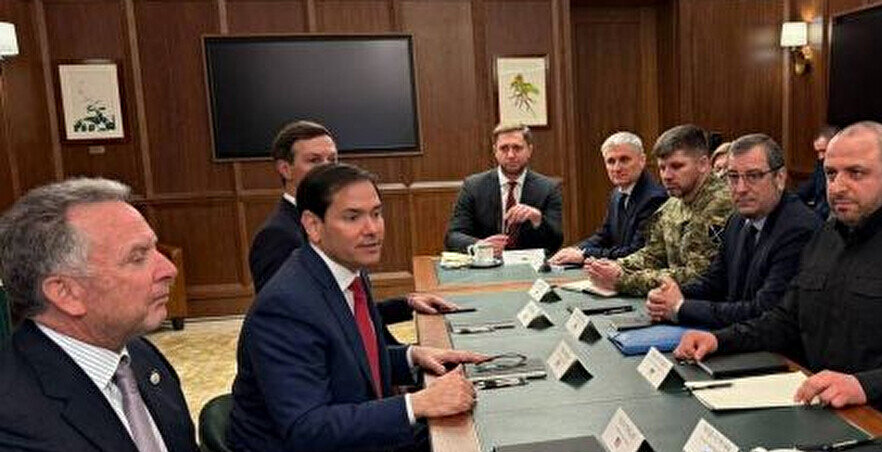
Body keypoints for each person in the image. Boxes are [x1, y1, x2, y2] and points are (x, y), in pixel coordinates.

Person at [0, 178, 369, 452]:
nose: (168, 269)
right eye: (138, 257)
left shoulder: (141, 359)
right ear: (66, 293)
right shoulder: (15, 426)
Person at [675, 122, 882, 447]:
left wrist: (865, 385)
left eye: (856, 173)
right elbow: (786, 319)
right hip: (821, 413)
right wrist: (719, 339)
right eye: (831, 174)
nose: (838, 187)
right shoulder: (827, 236)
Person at [229, 163, 485, 452]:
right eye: (353, 217)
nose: (372, 229)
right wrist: (417, 404)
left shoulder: (346, 270)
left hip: (340, 445)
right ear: (313, 226)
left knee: (470, 446)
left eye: (376, 214)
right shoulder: (286, 306)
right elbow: (306, 429)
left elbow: (345, 359)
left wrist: (410, 357)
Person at [249, 120, 455, 318]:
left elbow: (349, 309)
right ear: (285, 169)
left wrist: (407, 304)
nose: (327, 167)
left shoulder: (343, 224)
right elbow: (292, 317)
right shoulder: (276, 236)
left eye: (332, 159)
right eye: (314, 160)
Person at [645, 134, 820, 329]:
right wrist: (669, 295)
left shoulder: (797, 229)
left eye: (753, 176)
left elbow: (763, 311)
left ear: (779, 178)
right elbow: (715, 281)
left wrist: (681, 308)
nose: (741, 188)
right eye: (733, 177)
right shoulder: (737, 220)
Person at [584, 124, 733, 296]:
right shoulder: (673, 203)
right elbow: (654, 254)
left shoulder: (720, 204)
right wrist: (617, 266)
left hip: (709, 304)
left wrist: (622, 279)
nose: (667, 176)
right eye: (662, 168)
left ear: (703, 164)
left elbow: (698, 276)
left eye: (676, 166)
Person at [548, 131, 667, 265]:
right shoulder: (617, 193)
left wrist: (585, 254)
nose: (616, 168)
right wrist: (575, 249)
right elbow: (604, 235)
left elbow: (636, 252)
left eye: (624, 160)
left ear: (642, 160)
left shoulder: (654, 198)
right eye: (611, 161)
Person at [445, 123, 563, 253]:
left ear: (529, 150)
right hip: (486, 262)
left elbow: (556, 242)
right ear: (495, 151)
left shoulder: (548, 188)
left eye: (517, 148)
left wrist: (537, 220)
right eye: (504, 148)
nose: (511, 155)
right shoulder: (473, 186)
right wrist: (479, 246)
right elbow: (453, 236)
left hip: (530, 263)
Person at [795, 125, 838, 220]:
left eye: (823, 151)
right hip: (818, 216)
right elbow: (806, 189)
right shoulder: (821, 166)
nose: (820, 157)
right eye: (818, 152)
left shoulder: (845, 171)